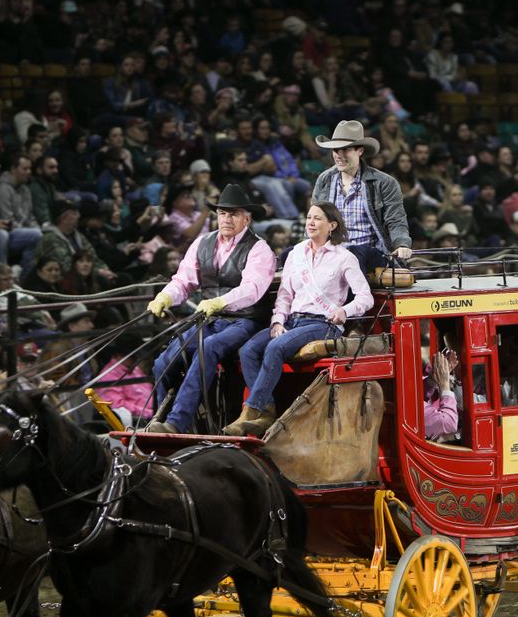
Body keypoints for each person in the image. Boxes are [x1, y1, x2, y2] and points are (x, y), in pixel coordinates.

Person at [224, 202, 373, 437]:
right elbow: (284, 294)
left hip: (323, 324)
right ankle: (267, 409)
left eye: (317, 219)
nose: (310, 222)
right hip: (293, 320)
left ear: (332, 225)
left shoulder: (344, 257)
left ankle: (251, 411)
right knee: (248, 350)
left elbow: (366, 298)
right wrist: (277, 321)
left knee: (275, 348)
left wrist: (345, 310)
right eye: (309, 217)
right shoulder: (296, 253)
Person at [145, 184, 276, 434]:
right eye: (223, 213)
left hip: (245, 321)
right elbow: (183, 281)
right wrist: (165, 296)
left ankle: (176, 423)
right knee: (164, 360)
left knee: (208, 348)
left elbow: (252, 289)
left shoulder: (259, 249)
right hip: (209, 319)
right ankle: (157, 419)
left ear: (246, 218)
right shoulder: (202, 243)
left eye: (234, 214)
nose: (227, 219)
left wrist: (220, 302)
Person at [310, 119, 412, 272]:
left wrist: (402, 244)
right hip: (333, 252)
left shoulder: (384, 182)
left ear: (360, 151)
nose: (339, 155)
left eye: (345, 150)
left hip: (371, 253)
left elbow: (396, 220)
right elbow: (315, 220)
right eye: (335, 150)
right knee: (289, 254)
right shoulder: (325, 180)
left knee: (355, 254)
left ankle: (357, 295)